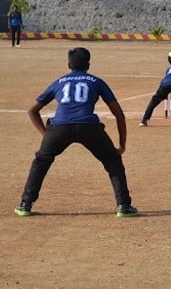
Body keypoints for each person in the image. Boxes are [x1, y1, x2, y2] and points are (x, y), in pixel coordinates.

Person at [14, 47, 138, 217]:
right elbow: (118, 114)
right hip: (89, 126)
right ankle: (124, 205)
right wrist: (121, 144)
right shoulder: (96, 81)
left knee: (41, 161)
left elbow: (33, 110)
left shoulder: (59, 82)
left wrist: (46, 134)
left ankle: (25, 204)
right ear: (88, 64)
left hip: (60, 127)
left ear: (68, 65)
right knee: (112, 161)